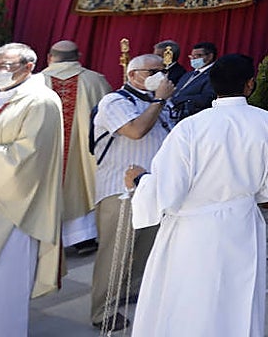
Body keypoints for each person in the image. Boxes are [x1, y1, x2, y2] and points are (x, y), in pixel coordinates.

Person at [126, 54, 268, 337]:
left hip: (192, 230)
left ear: (212, 84)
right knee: (237, 300)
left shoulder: (191, 127)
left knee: (188, 299)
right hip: (241, 222)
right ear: (250, 84)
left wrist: (140, 180)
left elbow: (167, 191)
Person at [0, 44, 64, 336]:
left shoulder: (40, 102)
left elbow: (30, 157)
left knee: (2, 287)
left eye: (2, 67)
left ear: (28, 67)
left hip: (16, 208)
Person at [89, 53, 176, 333]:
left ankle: (130, 290)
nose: (161, 76)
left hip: (152, 187)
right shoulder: (114, 101)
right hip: (120, 190)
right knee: (115, 253)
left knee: (145, 248)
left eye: (163, 71)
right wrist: (160, 99)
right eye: (153, 71)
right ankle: (102, 311)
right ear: (133, 75)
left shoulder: (160, 101)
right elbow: (136, 131)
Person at [40, 39, 111, 256]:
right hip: (83, 153)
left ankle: (45, 239)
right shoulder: (94, 81)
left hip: (44, 153)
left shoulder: (33, 83)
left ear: (50, 57)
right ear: (78, 56)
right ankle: (84, 238)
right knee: (81, 182)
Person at [167, 41, 218, 122]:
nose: (193, 59)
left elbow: (206, 98)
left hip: (193, 117)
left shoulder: (214, 74)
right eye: (192, 56)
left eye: (198, 56)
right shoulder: (188, 74)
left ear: (210, 56)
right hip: (173, 114)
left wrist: (177, 100)